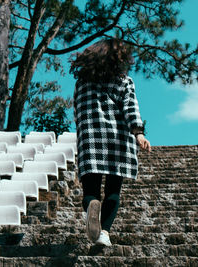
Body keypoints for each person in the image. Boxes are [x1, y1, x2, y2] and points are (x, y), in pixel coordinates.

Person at [70, 38, 151, 246]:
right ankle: (104, 232)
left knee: (91, 191)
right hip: (118, 140)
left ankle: (91, 207)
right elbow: (130, 108)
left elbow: (78, 112)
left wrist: (85, 133)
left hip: (90, 139)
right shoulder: (124, 81)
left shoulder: (82, 83)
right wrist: (139, 133)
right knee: (113, 191)